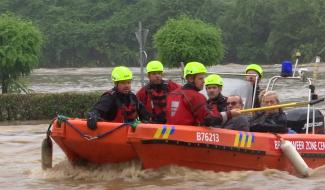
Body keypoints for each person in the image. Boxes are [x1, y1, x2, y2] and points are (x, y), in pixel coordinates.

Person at [166, 61, 241, 126]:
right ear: (191, 79)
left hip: (170, 135)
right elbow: (209, 120)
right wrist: (230, 114)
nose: (204, 81)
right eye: (200, 78)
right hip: (189, 137)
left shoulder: (172, 94)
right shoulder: (196, 96)